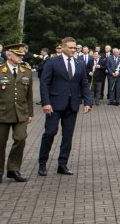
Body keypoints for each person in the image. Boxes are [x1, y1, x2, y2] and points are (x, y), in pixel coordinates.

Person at [37, 37, 92, 176]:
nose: (74, 50)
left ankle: (62, 164)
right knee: (50, 132)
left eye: (75, 48)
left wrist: (87, 102)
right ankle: (42, 163)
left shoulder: (80, 63)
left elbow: (84, 83)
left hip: (72, 104)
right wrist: (46, 102)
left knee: (67, 135)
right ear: (63, 47)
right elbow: (44, 83)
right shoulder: (52, 62)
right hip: (54, 104)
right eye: (71, 48)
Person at [0, 43, 34, 183]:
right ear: (9, 55)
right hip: (2, 113)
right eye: (18, 55)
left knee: (21, 138)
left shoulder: (26, 70)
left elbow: (29, 95)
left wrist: (30, 113)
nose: (21, 57)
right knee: (0, 143)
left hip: (21, 112)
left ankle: (13, 168)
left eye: (22, 55)